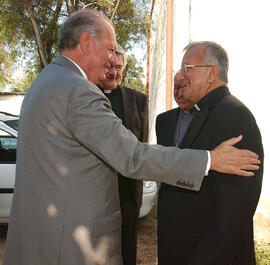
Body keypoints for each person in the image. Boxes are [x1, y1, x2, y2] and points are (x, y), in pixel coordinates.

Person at [3, 8, 260, 265]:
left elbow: (233, 214)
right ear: (85, 43)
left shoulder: (45, 81)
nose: (113, 58)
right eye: (111, 49)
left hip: (45, 239)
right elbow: (132, 156)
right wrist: (209, 160)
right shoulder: (77, 91)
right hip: (68, 247)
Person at [156, 41, 264, 265]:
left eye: (188, 68)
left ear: (212, 73)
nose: (182, 76)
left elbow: (232, 214)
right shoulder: (204, 111)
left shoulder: (234, 115)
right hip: (181, 249)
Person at [98, 45, 148, 265]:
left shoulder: (139, 100)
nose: (114, 72)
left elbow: (143, 144)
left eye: (118, 67)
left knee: (127, 248)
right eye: (109, 66)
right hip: (96, 191)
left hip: (127, 191)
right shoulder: (85, 96)